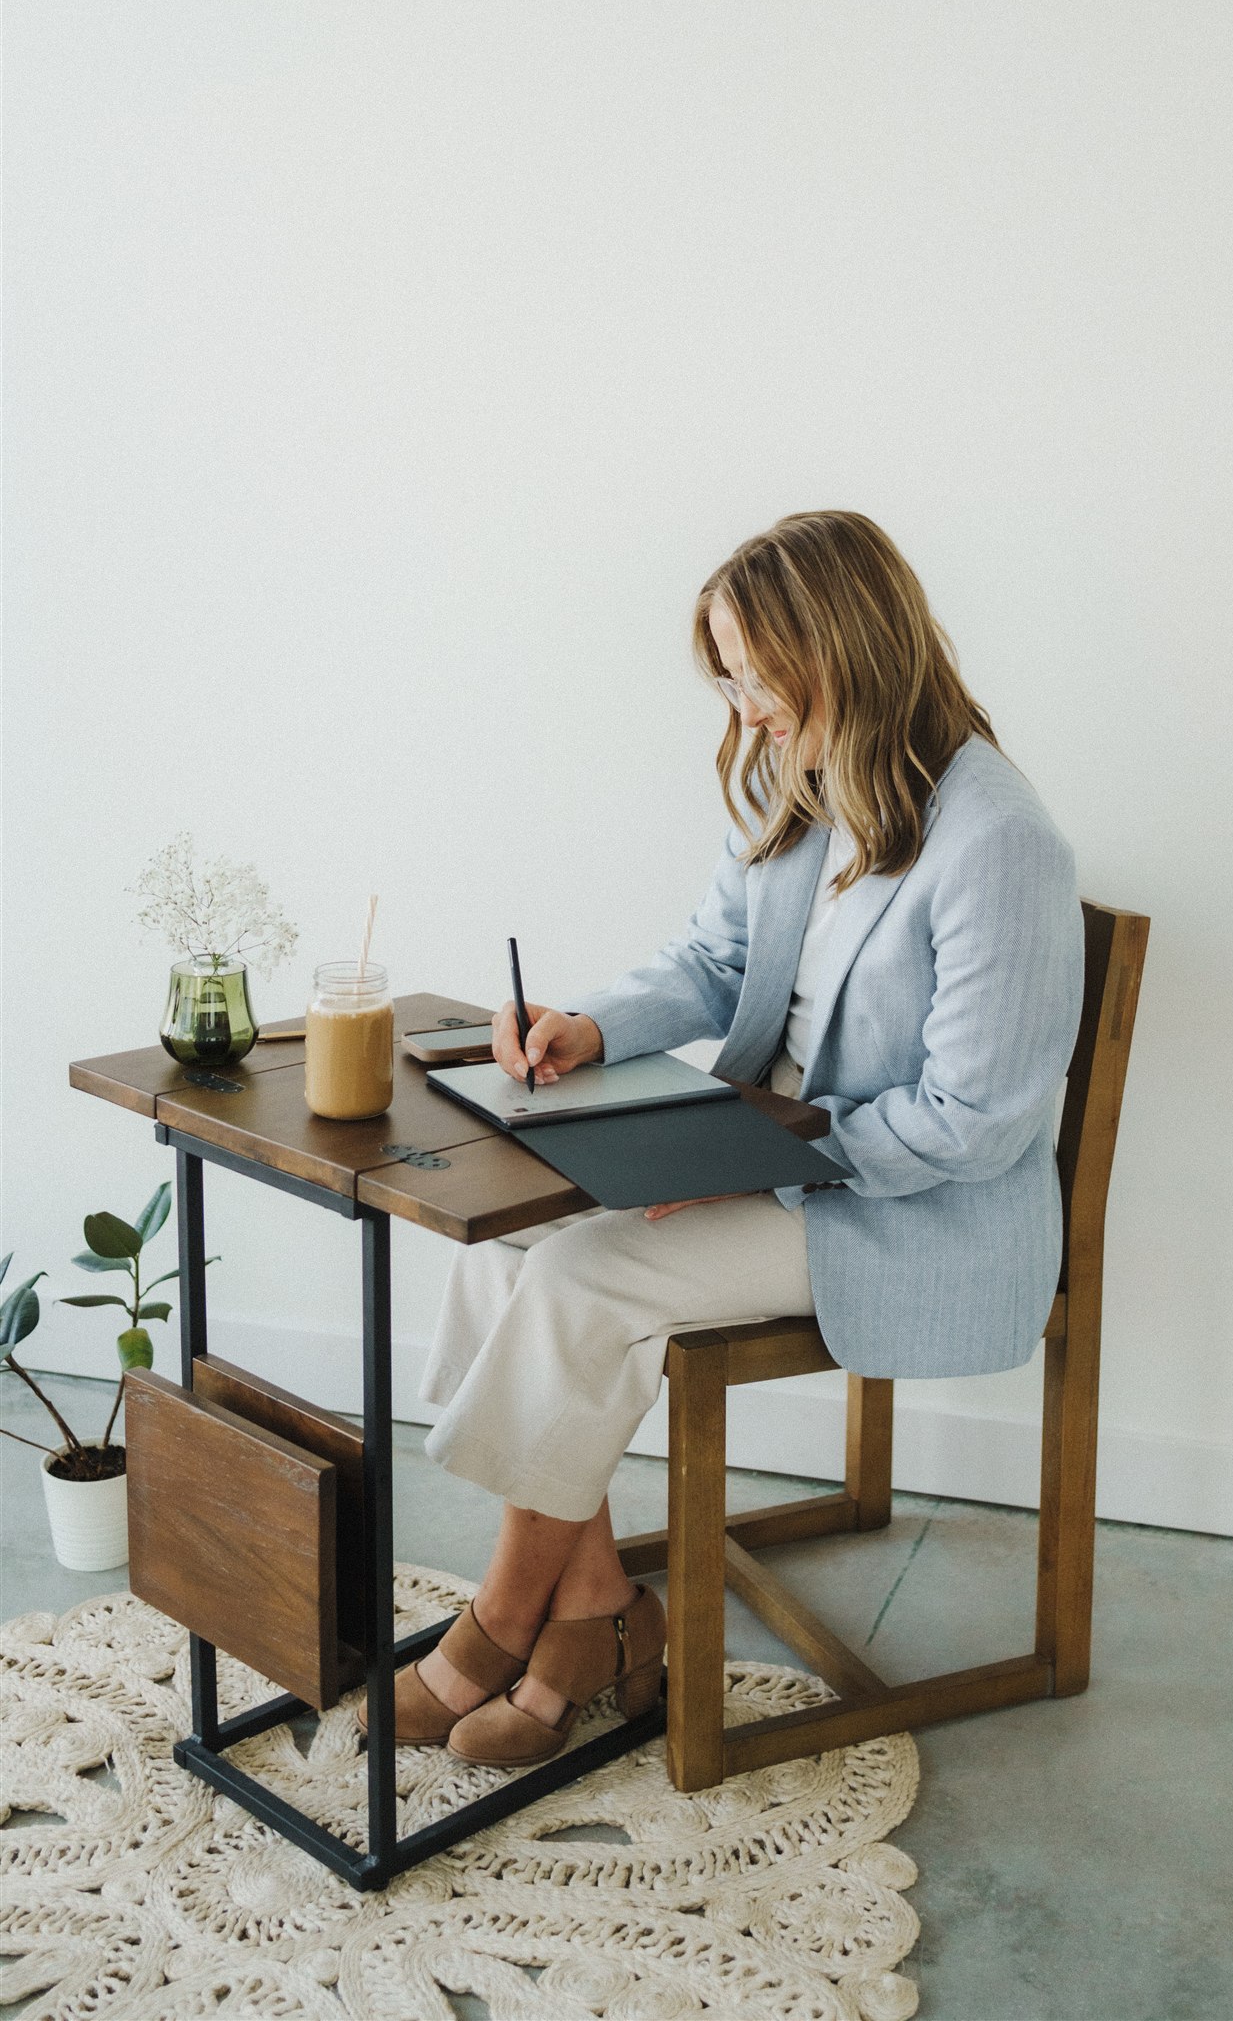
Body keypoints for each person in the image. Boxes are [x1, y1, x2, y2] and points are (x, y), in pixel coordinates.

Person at [359, 508, 1085, 1766]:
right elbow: (715, 956)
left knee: (584, 1273)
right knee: (505, 1242)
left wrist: (762, 1157)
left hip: (905, 1207)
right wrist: (590, 1025)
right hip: (773, 1151)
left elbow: (975, 1123)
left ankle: (498, 1621)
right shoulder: (813, 782)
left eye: (754, 673)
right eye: (732, 677)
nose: (743, 709)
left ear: (840, 651)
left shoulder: (1000, 841)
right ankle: (597, 1612)